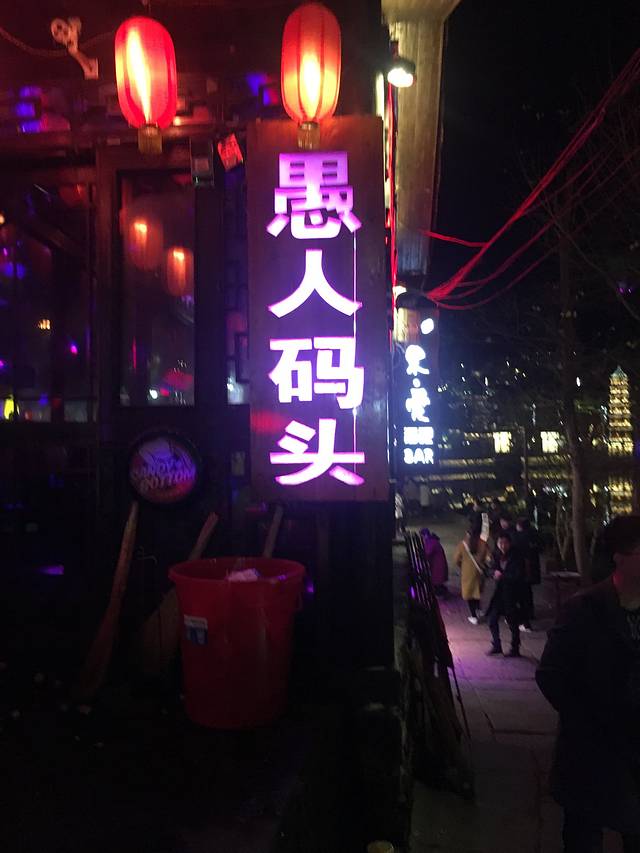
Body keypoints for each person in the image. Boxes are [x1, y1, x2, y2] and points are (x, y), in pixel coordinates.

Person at [536, 515, 640, 853]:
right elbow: (551, 674)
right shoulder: (585, 609)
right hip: (591, 755)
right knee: (583, 838)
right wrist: (589, 718)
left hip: (634, 756)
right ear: (619, 556)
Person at [485, 531, 525, 657]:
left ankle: (515, 648)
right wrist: (493, 573)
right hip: (499, 593)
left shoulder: (516, 556)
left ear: (509, 543)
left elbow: (518, 575)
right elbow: (489, 569)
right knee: (492, 619)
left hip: (512, 594)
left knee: (512, 622)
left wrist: (503, 576)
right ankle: (496, 645)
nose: (502, 546)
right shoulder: (496, 554)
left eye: (505, 543)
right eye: (500, 543)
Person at [454, 528, 490, 624]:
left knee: (469, 594)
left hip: (467, 573)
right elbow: (489, 557)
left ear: (468, 534)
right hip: (479, 572)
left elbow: (456, 559)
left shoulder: (463, 544)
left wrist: (462, 565)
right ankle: (479, 610)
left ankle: (473, 616)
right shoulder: (483, 544)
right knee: (477, 592)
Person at [514, 517, 541, 631]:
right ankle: (530, 614)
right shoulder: (534, 536)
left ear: (519, 526)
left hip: (523, 570)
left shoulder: (519, 537)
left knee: (522, 596)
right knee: (528, 593)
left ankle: (525, 622)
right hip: (532, 570)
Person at [421, 527, 449, 597]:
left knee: (436, 581)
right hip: (437, 564)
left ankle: (441, 593)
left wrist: (421, 554)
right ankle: (441, 591)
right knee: (437, 581)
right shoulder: (433, 541)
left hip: (437, 565)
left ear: (424, 535)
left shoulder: (430, 542)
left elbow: (428, 552)